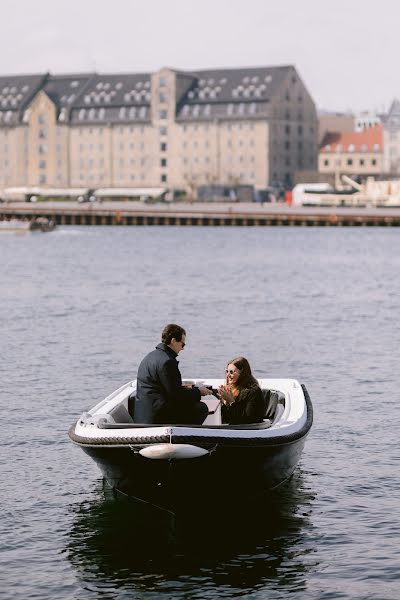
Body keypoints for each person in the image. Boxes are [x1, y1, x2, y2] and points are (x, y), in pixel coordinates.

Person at [135, 323, 211, 424]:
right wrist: (199, 392)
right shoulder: (167, 361)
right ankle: (184, 437)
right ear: (173, 341)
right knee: (201, 408)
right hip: (157, 416)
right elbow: (176, 395)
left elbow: (167, 388)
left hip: (143, 413)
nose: (183, 348)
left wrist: (190, 390)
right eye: (182, 344)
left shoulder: (149, 357)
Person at [218, 357, 265, 425]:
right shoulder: (231, 389)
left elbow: (246, 419)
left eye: (231, 372)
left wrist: (231, 401)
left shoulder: (253, 391)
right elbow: (225, 419)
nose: (228, 375)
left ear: (242, 373)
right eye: (227, 371)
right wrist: (226, 403)